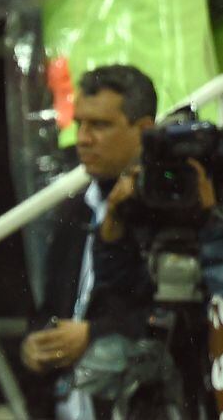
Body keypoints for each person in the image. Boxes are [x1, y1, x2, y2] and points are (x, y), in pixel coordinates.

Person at [19, 65, 157, 419]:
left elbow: (171, 318)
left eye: (100, 125)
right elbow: (48, 307)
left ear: (144, 131)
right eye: (80, 123)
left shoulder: (165, 213)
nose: (83, 138)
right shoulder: (75, 208)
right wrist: (33, 345)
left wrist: (92, 334)